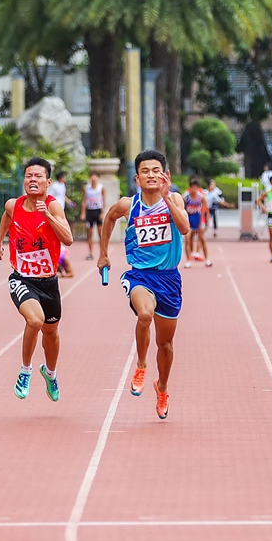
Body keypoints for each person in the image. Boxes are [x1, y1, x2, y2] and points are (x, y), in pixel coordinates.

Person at [98, 149, 189, 420]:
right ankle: (140, 364)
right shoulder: (129, 204)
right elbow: (109, 218)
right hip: (139, 275)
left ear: (165, 175)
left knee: (166, 344)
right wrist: (104, 253)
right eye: (145, 171)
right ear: (137, 177)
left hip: (169, 279)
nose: (151, 175)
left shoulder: (173, 198)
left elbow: (184, 228)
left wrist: (166, 197)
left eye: (155, 171)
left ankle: (162, 387)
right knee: (145, 314)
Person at [0, 157, 74, 401]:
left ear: (48, 182)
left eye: (38, 176)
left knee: (52, 333)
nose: (32, 180)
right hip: (22, 278)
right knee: (35, 321)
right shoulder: (13, 205)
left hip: (48, 282)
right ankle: (25, 370)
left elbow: (67, 239)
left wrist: (47, 215)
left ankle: (50, 373)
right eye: (28, 176)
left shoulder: (54, 206)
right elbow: (7, 217)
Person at [183, 177, 211, 268]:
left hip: (198, 219)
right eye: (192, 187)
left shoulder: (201, 197)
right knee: (188, 239)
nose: (194, 190)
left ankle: (207, 259)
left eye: (196, 187)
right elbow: (182, 208)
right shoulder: (186, 197)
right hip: (189, 219)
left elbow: (204, 210)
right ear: (190, 188)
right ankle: (188, 260)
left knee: (202, 239)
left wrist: (204, 222)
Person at [81, 172, 107, 260]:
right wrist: (83, 213)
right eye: (92, 176)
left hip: (98, 210)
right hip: (90, 211)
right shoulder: (86, 188)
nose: (93, 178)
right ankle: (90, 253)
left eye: (95, 176)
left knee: (100, 233)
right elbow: (84, 200)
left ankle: (102, 252)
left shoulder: (101, 188)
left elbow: (104, 200)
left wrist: (103, 212)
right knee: (90, 233)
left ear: (98, 178)